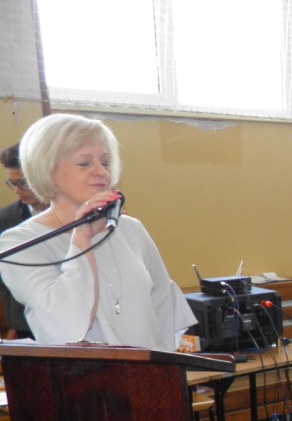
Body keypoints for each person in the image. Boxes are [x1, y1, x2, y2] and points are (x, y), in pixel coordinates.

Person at [0, 114, 195, 351]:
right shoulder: (19, 243)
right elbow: (67, 324)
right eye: (84, 163)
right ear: (46, 170)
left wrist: (162, 364)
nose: (101, 172)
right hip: (78, 373)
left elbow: (163, 305)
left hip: (149, 370)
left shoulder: (131, 228)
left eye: (105, 162)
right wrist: (81, 238)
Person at [0, 143, 46, 339]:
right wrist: (9, 324)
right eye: (12, 184)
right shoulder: (6, 218)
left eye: (23, 183)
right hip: (24, 323)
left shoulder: (76, 213)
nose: (17, 191)